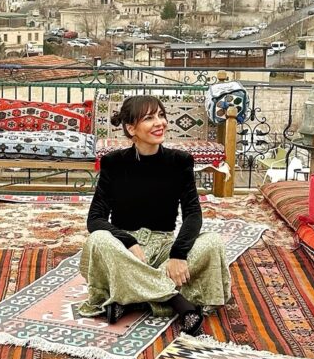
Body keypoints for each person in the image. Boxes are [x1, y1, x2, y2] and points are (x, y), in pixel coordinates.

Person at [78, 94, 231, 335]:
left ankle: (130, 299)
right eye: (149, 118)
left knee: (212, 243)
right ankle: (176, 301)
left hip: (164, 248)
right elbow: (95, 218)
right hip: (126, 252)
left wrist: (178, 254)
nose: (160, 123)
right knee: (98, 240)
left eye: (161, 115)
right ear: (131, 128)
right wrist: (127, 241)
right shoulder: (113, 162)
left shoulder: (180, 161)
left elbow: (193, 213)